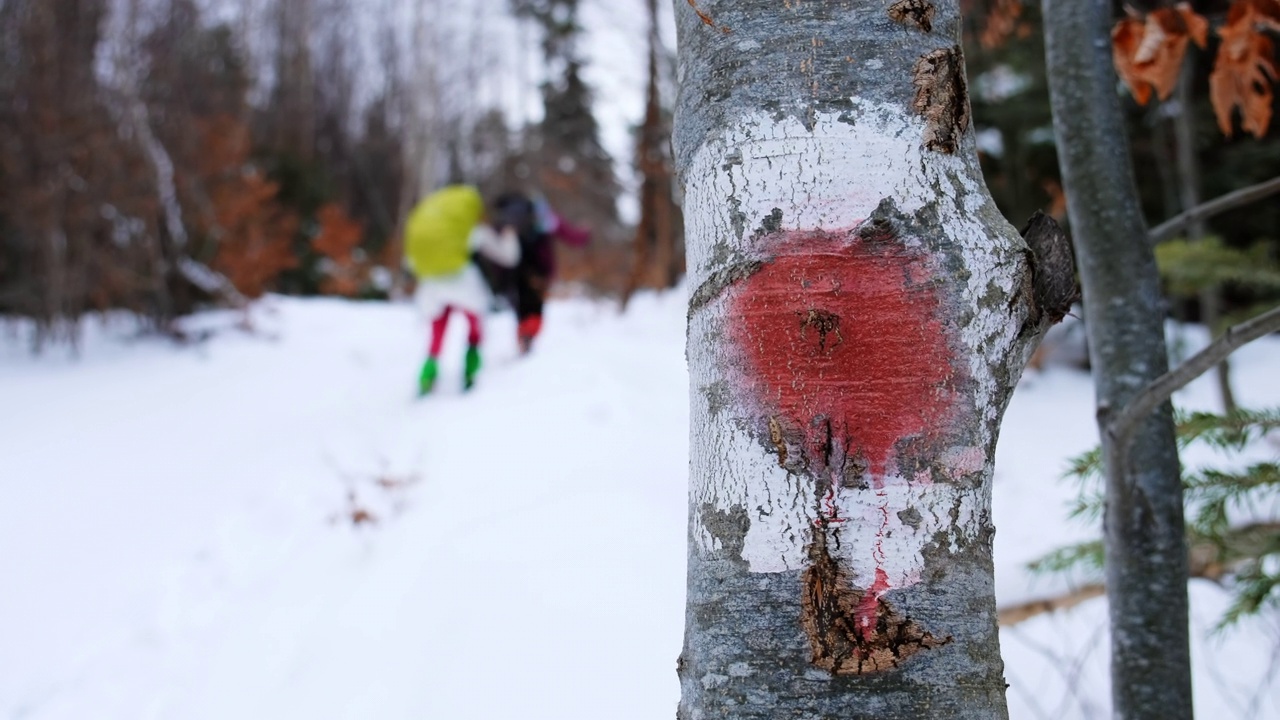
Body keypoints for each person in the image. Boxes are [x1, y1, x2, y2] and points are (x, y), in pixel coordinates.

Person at [404, 185, 520, 395]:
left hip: (432, 286)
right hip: (463, 284)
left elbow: (411, 262)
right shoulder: (473, 232)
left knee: (438, 329)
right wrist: (509, 233)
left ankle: (427, 374)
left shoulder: (440, 232)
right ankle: (470, 370)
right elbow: (509, 257)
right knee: (475, 325)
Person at [490, 192, 590, 354]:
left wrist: (498, 278)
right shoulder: (541, 213)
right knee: (536, 310)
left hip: (515, 271)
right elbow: (566, 232)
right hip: (540, 270)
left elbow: (493, 248)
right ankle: (528, 336)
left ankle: (523, 338)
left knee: (521, 310)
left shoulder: (504, 220)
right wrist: (584, 235)